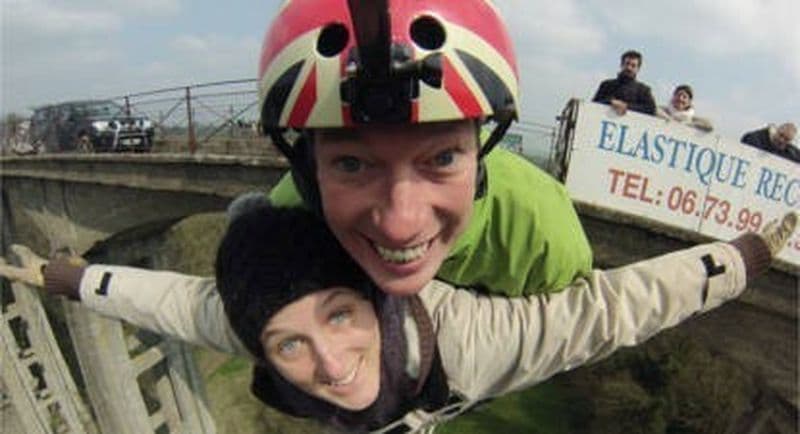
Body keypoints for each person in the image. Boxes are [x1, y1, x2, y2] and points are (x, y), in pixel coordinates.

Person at [1, 206, 796, 432]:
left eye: (340, 315)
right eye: (290, 343)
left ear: (374, 293)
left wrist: (739, 260)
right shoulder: (245, 323)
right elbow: (168, 300)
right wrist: (65, 275)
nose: (330, 362)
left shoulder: (477, 344)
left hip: (437, 383)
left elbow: (610, 310)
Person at [254, 0, 593, 297]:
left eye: (443, 158)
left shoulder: (543, 236)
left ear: (479, 156)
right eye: (351, 164)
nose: (399, 227)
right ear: (308, 173)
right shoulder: (285, 228)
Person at [592, 49, 657, 116]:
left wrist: (626, 106)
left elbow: (651, 109)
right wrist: (611, 102)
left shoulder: (643, 90)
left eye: (633, 66)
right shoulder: (606, 85)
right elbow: (594, 104)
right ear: (621, 65)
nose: (629, 68)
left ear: (638, 69)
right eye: (627, 64)